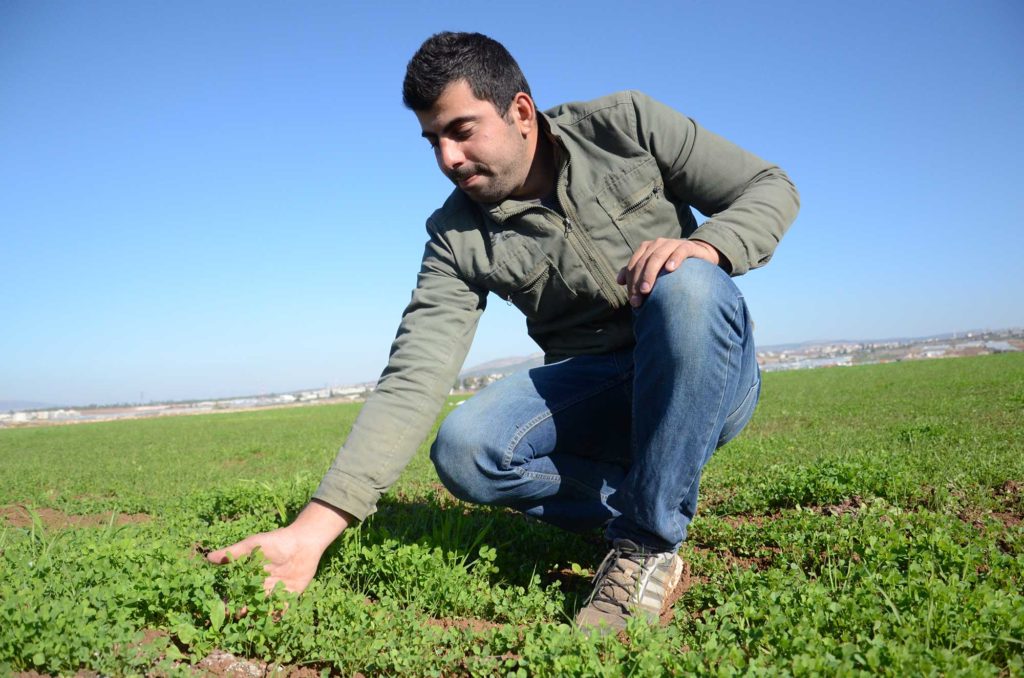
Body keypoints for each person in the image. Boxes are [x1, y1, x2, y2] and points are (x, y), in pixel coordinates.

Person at [209, 31, 799, 634]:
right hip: (600, 387)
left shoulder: (627, 124)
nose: (447, 158)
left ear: (520, 112)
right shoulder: (455, 236)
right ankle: (652, 493)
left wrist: (705, 245)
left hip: (704, 369)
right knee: (466, 448)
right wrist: (312, 531)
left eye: (461, 131)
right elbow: (416, 374)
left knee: (689, 284)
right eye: (433, 140)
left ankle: (646, 545)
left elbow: (769, 185)